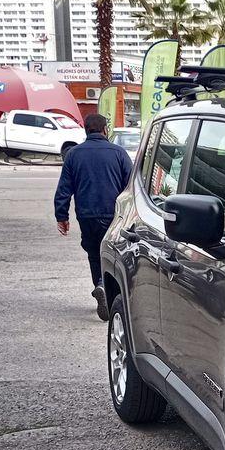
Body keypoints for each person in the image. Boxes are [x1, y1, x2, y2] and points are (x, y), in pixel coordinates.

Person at [54, 112, 132, 320]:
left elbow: (64, 188)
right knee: (113, 253)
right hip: (113, 214)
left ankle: (99, 283)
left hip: (86, 214)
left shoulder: (73, 154)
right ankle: (106, 289)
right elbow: (130, 186)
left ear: (86, 130)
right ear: (105, 130)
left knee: (93, 253)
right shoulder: (119, 153)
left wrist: (61, 215)